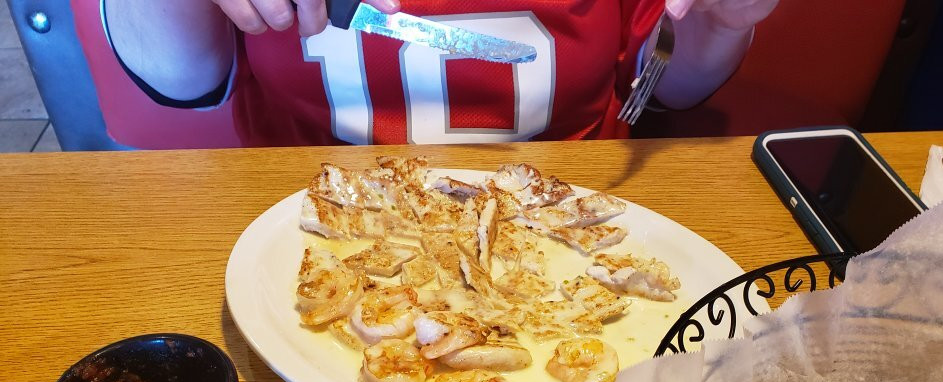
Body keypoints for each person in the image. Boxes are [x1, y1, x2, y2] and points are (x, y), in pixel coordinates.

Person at [103, 0, 777, 147]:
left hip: (573, 228)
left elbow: (667, 90)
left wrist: (724, 22)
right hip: (301, 228)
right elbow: (180, 81)